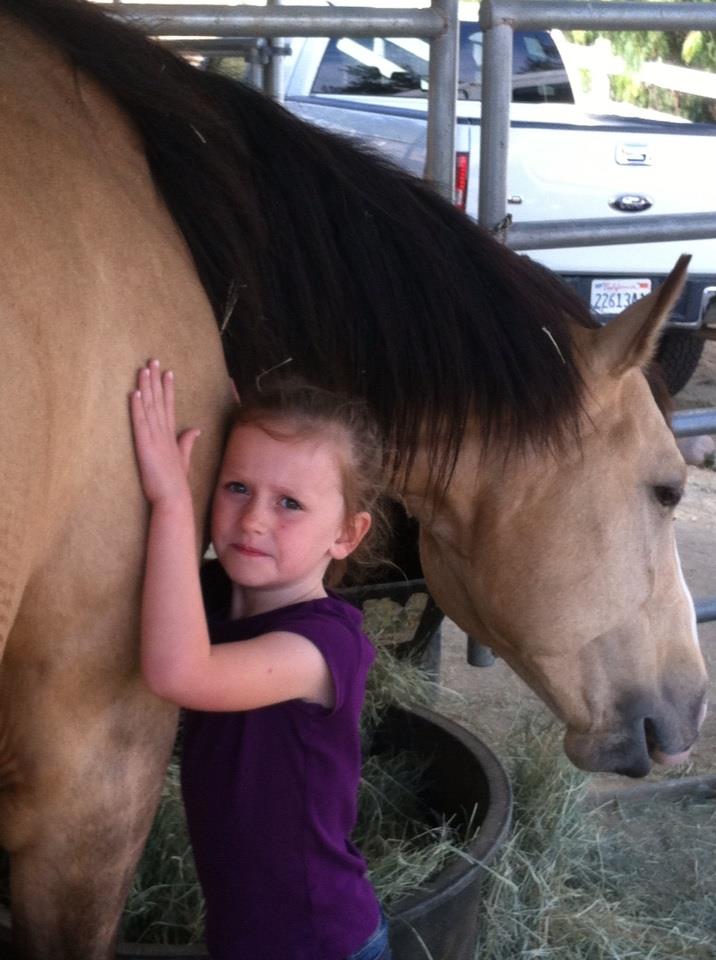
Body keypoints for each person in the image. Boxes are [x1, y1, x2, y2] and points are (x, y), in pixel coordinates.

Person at [129, 358, 391, 960]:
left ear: (346, 535)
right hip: (247, 937)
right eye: (237, 486)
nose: (251, 519)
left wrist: (172, 500)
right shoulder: (219, 603)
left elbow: (179, 672)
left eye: (290, 503)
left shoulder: (323, 647)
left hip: (319, 943)